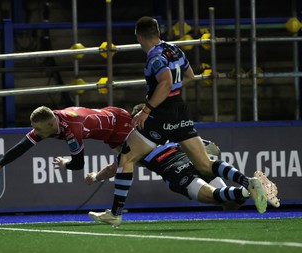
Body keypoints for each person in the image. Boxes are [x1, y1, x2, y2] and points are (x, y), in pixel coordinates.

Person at [91, 16, 279, 225]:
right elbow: (189, 76)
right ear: (158, 33)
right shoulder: (174, 49)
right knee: (205, 164)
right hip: (180, 110)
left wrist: (147, 109)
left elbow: (165, 82)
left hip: (160, 114)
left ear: (139, 36)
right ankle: (248, 182)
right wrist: (172, 95)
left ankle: (115, 214)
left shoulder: (154, 57)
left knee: (126, 158)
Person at [87, 139, 280, 226]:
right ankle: (247, 184)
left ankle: (246, 190)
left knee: (214, 197)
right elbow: (211, 147)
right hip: (194, 160)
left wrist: (94, 177)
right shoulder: (166, 132)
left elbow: (112, 169)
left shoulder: (133, 147)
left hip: (174, 172)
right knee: (230, 204)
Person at [0, 105, 133, 179]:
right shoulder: (48, 124)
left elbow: (78, 164)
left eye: (37, 129)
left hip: (119, 124)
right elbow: (23, 146)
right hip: (109, 125)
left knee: (135, 161)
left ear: (50, 125)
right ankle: (113, 209)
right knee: (125, 163)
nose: (35, 133)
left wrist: (64, 163)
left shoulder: (71, 130)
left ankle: (114, 212)